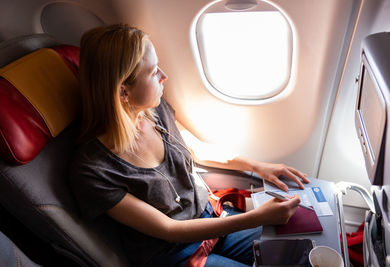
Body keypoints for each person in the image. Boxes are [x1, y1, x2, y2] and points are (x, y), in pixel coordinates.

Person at [69, 24, 310, 267]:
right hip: (174, 252)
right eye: (153, 72)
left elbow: (196, 148)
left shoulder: (152, 111)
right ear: (124, 92)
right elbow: (168, 229)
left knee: (298, 253)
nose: (164, 76)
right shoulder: (94, 169)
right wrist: (256, 218)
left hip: (210, 219)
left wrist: (258, 167)